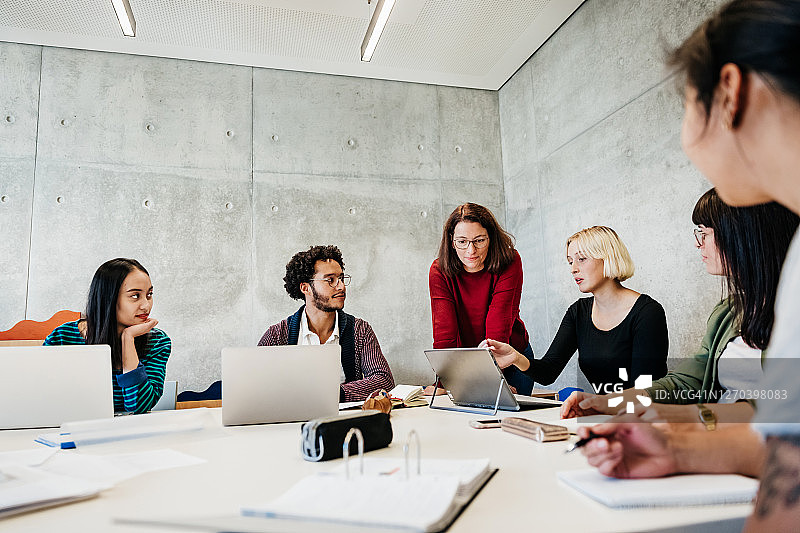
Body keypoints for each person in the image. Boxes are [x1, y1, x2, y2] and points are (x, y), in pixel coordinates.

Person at [576, 1, 800, 529]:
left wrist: (646, 419)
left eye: (685, 105)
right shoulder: (743, 305)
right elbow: (780, 437)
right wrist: (672, 446)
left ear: (729, 92)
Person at [562, 189, 798, 424]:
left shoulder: (791, 312)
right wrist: (607, 403)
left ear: (741, 235)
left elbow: (787, 402)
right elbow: (683, 383)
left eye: (703, 234)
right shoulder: (727, 313)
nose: (699, 244)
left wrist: (689, 418)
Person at [483, 226, 668, 391]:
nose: (573, 269)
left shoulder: (648, 313)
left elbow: (644, 392)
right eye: (570, 261)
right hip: (605, 416)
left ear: (608, 258)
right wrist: (515, 357)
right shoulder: (578, 312)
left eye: (581, 259)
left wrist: (591, 404)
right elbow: (548, 372)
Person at [258, 245, 394, 401]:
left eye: (341, 279)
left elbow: (384, 380)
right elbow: (256, 386)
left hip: (343, 421)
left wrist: (335, 393)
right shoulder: (277, 335)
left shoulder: (360, 330)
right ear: (306, 288)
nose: (341, 286)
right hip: (292, 420)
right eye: (330, 280)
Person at [428, 203, 534, 395]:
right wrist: (445, 383)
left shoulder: (510, 261)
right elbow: (445, 333)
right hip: (466, 366)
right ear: (451, 241)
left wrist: (491, 382)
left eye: (479, 240)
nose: (471, 251)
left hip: (510, 359)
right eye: (462, 242)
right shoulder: (439, 271)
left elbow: (498, 324)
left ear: (491, 238)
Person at [43, 258, 171, 414]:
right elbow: (42, 397)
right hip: (70, 427)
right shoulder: (62, 338)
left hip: (127, 433)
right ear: (108, 298)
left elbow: (139, 407)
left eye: (149, 295)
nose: (146, 305)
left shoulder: (158, 342)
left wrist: (128, 339)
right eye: (135, 296)